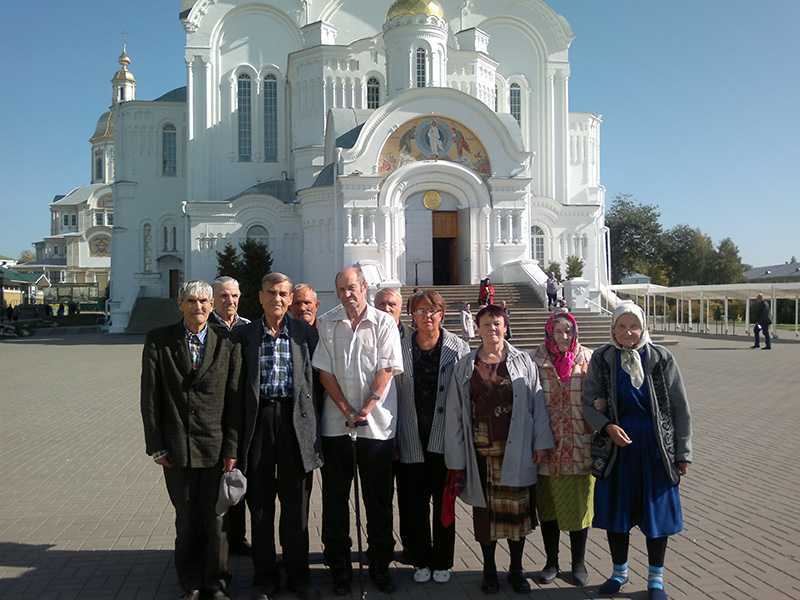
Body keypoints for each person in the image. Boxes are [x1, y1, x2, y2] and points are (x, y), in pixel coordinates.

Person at [582, 302, 692, 600]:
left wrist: (682, 452)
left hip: (656, 449)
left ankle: (656, 579)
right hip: (618, 451)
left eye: (633, 325)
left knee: (656, 516)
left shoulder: (659, 357)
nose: (627, 332)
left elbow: (680, 407)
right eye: (621, 326)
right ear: (613, 328)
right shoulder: (603, 359)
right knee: (617, 513)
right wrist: (606, 426)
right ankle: (619, 572)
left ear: (643, 327)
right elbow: (587, 400)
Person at [140, 280, 241, 600]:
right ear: (180, 304)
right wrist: (156, 444)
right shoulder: (159, 341)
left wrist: (232, 447)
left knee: (216, 521)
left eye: (203, 301)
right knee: (186, 521)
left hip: (215, 447)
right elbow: (150, 396)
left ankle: (217, 582)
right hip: (177, 448)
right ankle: (191, 583)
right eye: (191, 301)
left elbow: (234, 399)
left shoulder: (227, 341)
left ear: (212, 306)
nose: (198, 307)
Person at [445, 304, 553, 595]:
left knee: (517, 515)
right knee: (486, 516)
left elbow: (537, 403)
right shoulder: (465, 365)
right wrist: (455, 458)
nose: (492, 329)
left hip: (515, 448)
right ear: (476, 329)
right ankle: (489, 568)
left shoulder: (523, 361)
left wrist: (541, 443)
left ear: (506, 327)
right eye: (486, 325)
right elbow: (455, 413)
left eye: (497, 324)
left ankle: (516, 569)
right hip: (481, 451)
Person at [312, 266, 404, 595]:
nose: (347, 295)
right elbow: (324, 372)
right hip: (337, 426)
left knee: (378, 500)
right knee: (336, 501)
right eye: (341, 290)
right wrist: (346, 410)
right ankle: (339, 568)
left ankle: (379, 566)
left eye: (352, 288)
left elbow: (387, 368)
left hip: (376, 427)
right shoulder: (328, 321)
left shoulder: (382, 322)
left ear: (364, 287)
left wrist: (365, 409)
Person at [237, 273, 322, 600]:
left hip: (294, 424)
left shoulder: (304, 334)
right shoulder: (246, 336)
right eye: (271, 293)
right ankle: (264, 578)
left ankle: (298, 576)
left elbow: (318, 383)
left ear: (290, 299)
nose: (277, 299)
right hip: (258, 425)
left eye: (283, 294)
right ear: (260, 297)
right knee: (259, 505)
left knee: (296, 506)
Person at [395, 290, 470, 584]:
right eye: (421, 310)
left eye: (433, 310)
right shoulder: (400, 347)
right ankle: (420, 559)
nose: (428, 316)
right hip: (410, 437)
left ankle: (443, 560)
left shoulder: (458, 348)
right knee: (414, 505)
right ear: (412, 314)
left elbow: (466, 396)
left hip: (444, 440)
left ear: (443, 314)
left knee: (443, 505)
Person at [531, 311, 594, 587]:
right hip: (548, 447)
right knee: (549, 508)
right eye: (558, 331)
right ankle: (551, 561)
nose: (564, 336)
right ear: (549, 332)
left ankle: (578, 562)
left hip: (580, 446)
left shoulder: (588, 359)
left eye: (568, 331)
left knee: (580, 507)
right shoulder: (535, 360)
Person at [210, 276, 252, 555]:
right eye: (224, 296)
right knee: (215, 484)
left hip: (243, 415)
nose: (230, 301)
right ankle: (217, 541)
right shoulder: (206, 328)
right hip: (212, 417)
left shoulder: (248, 328)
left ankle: (238, 538)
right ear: (213, 299)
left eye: (235, 295)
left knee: (237, 478)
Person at [374, 287, 414, 564]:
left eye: (392, 304)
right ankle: (382, 548)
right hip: (381, 428)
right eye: (382, 304)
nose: (387, 309)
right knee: (381, 495)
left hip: (410, 429)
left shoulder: (413, 338)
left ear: (401, 309)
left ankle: (412, 546)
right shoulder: (369, 335)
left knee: (411, 494)